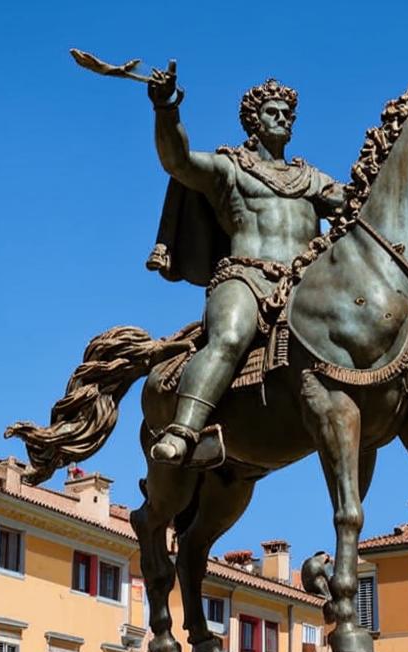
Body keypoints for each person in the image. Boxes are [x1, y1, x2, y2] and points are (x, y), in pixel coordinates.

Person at [143, 64, 343, 464]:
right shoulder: (230, 168)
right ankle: (184, 430)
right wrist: (166, 108)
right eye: (273, 112)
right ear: (254, 119)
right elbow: (177, 160)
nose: (283, 119)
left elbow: (361, 206)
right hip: (246, 276)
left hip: (303, 285)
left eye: (288, 114)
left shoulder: (311, 179)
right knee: (231, 336)